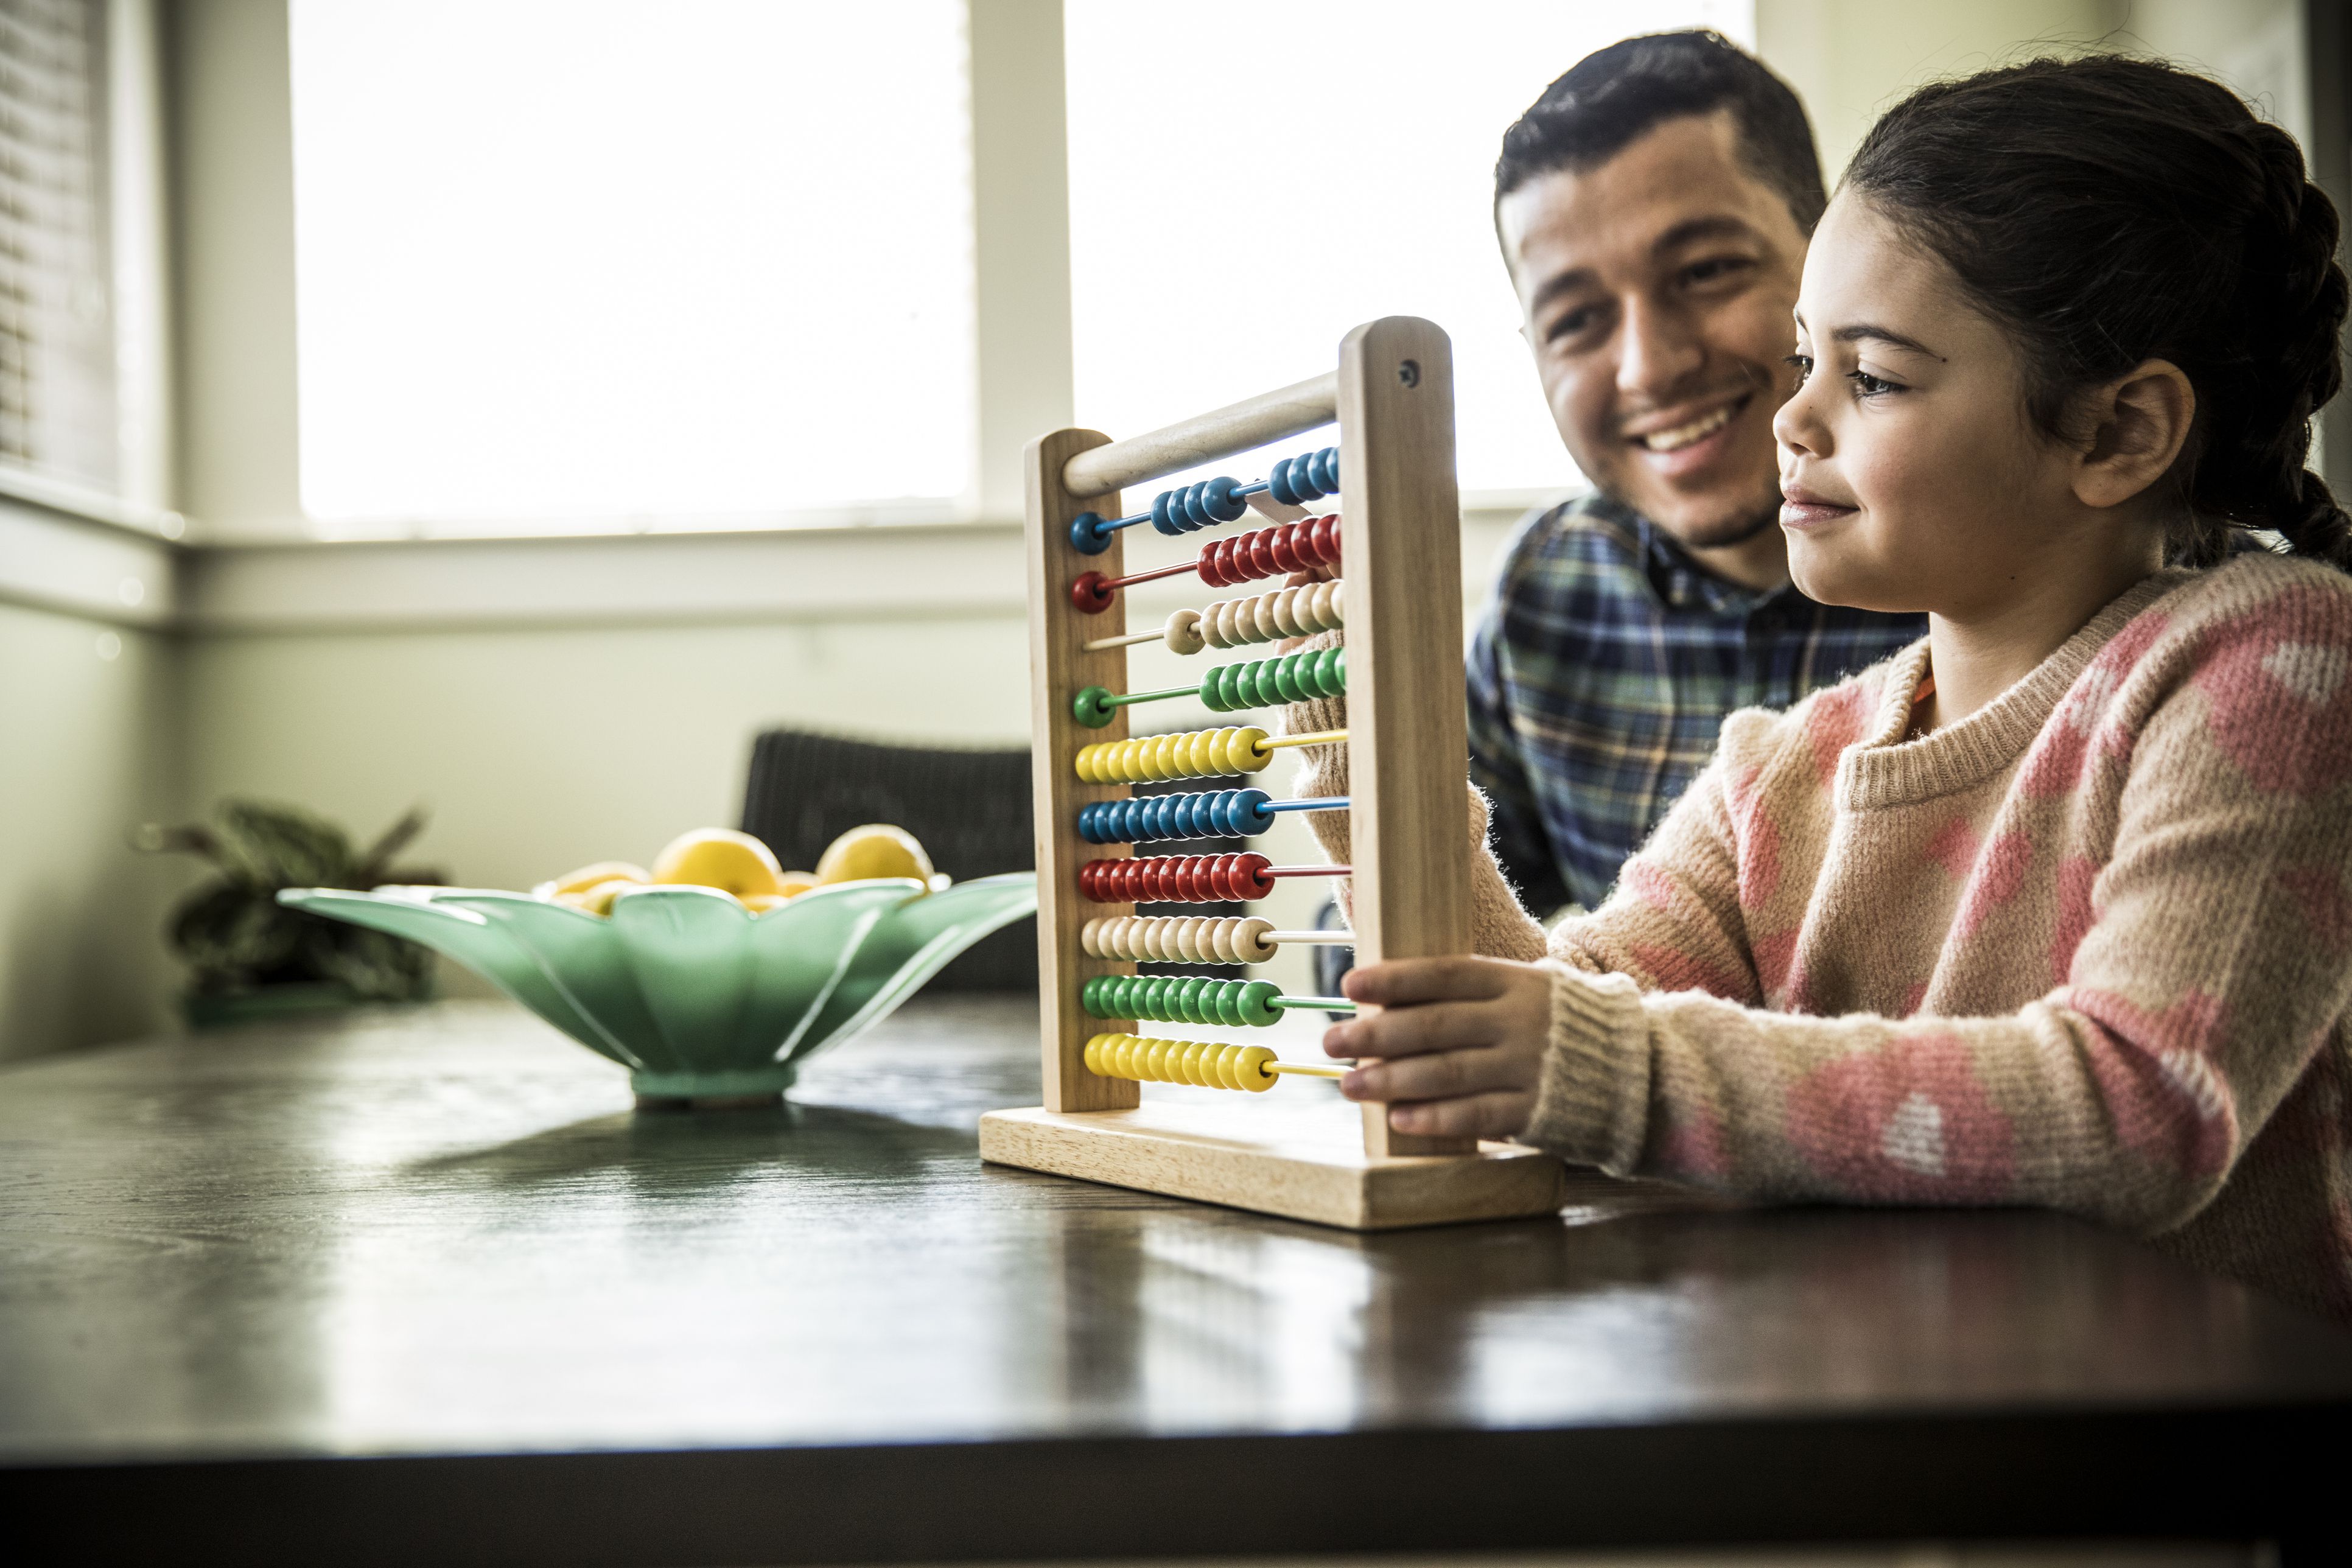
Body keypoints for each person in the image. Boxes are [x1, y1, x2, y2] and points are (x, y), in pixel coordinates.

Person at [1293, 55, 2352, 1319]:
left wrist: (1609, 1070)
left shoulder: (2275, 665)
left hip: (2165, 1469)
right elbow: (1569, 1018)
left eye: (1875, 375)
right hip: (1862, 1422)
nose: (1794, 417)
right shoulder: (1779, 773)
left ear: (2118, 433)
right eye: (1806, 357)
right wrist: (1387, 793)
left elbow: (2141, 1112)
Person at [1471, 31, 1925, 919]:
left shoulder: (2039, 554)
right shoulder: (1547, 592)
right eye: (1576, 321)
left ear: (1832, 255)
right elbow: (1402, 931)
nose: (1648, 367)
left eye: (1707, 271)